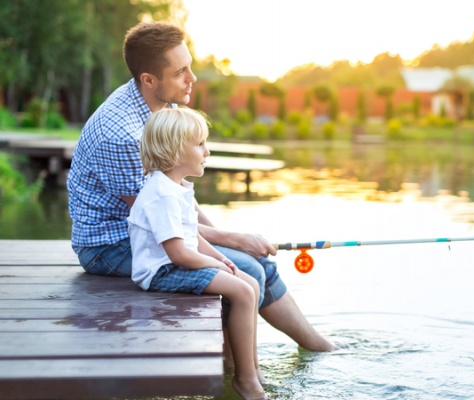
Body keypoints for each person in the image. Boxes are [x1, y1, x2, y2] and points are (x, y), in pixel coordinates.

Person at [66, 21, 335, 355]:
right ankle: (234, 372)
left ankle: (315, 347)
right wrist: (231, 240)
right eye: (181, 72)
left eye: (189, 67)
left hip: (155, 228)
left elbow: (176, 197)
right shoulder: (121, 135)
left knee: (255, 262)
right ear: (149, 80)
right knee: (246, 268)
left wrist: (225, 237)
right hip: (110, 244)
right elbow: (157, 216)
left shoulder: (163, 104)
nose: (192, 78)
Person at [128, 107, 265, 400]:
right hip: (160, 271)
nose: (207, 151)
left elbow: (193, 235)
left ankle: (248, 367)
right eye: (200, 144)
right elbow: (179, 254)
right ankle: (246, 381)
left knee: (250, 284)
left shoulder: (176, 188)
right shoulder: (162, 194)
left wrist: (221, 258)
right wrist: (218, 265)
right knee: (241, 292)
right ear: (176, 151)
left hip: (178, 262)